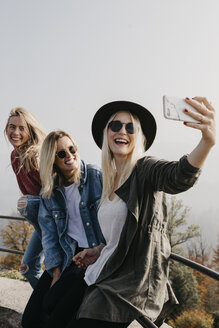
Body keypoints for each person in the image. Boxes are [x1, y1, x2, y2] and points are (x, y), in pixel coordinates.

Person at [66, 97, 215, 328]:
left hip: (132, 282)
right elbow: (119, 236)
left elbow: (179, 176)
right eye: (115, 125)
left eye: (130, 127)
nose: (122, 131)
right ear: (106, 134)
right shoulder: (108, 180)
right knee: (52, 306)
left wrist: (207, 142)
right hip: (108, 269)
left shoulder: (145, 169)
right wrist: (97, 250)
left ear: (139, 136)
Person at [21, 130, 105, 328]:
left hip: (95, 253)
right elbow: (49, 237)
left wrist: (101, 250)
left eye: (71, 149)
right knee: (30, 320)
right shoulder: (49, 193)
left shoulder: (96, 176)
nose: (69, 155)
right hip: (69, 255)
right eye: (61, 154)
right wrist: (56, 274)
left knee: (56, 315)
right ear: (53, 160)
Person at [4, 107, 46, 288]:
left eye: (22, 128)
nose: (16, 132)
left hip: (56, 224)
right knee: (28, 269)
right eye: (12, 127)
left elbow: (56, 195)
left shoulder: (36, 155)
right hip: (41, 224)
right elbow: (27, 194)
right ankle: (48, 309)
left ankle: (58, 310)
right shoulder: (15, 156)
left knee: (57, 270)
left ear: (30, 130)